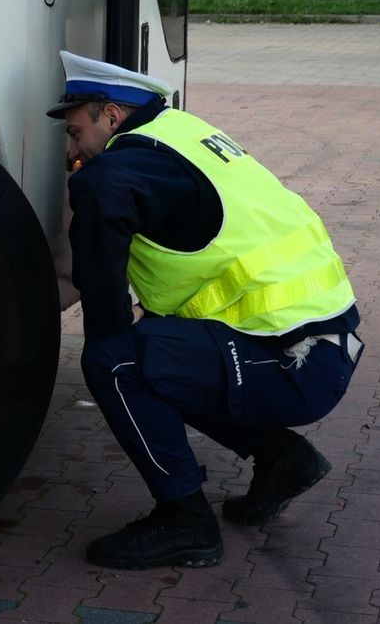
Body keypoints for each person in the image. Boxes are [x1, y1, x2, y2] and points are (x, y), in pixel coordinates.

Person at [46, 51, 363, 570]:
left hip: (294, 359)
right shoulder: (178, 131)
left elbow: (102, 207)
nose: (71, 150)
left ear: (111, 115)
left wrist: (109, 326)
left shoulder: (115, 169)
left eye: (76, 132)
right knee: (164, 352)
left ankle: (185, 522)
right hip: (314, 341)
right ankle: (282, 459)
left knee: (116, 360)